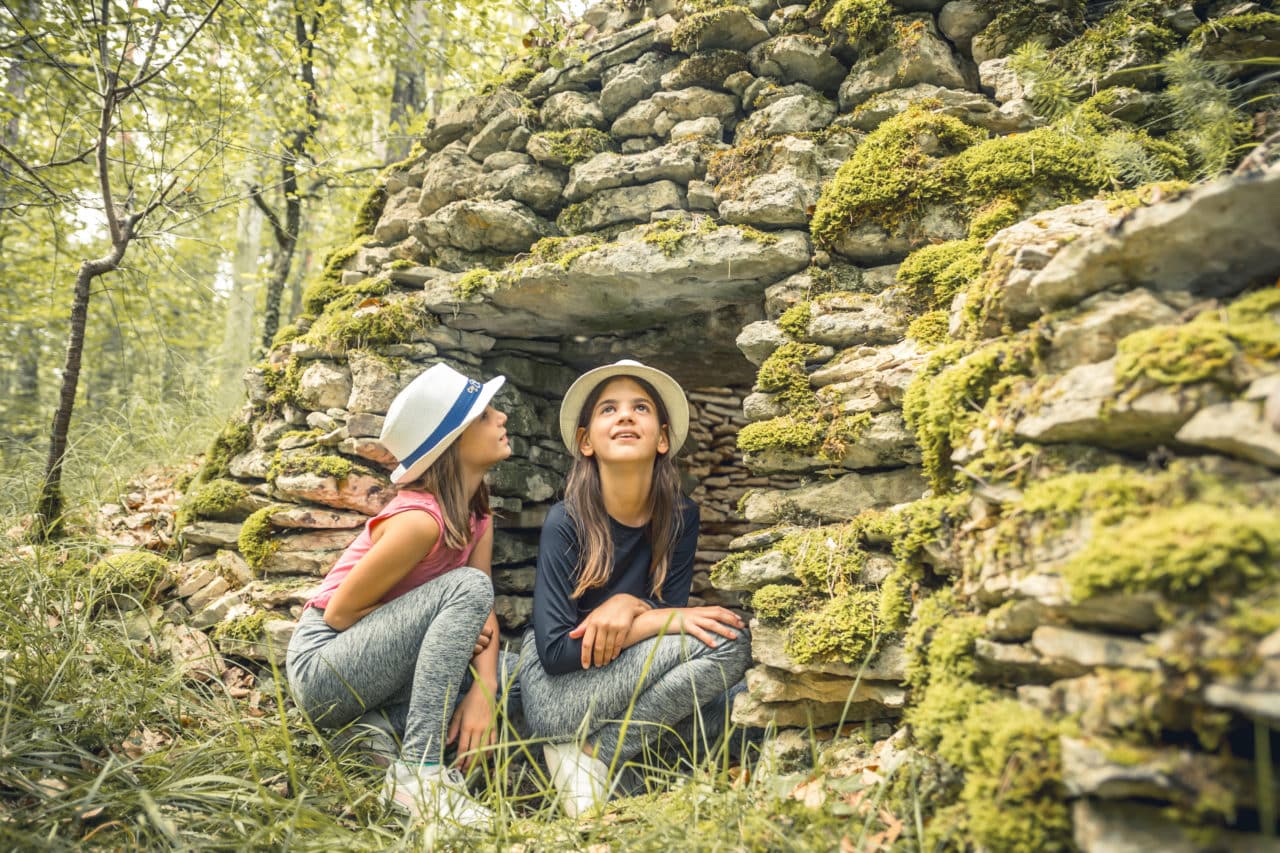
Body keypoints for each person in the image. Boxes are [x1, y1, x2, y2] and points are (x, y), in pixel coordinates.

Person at [518, 359, 753, 818]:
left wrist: (632, 606)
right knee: (731, 644)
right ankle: (595, 753)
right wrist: (649, 614)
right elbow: (555, 652)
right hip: (557, 695)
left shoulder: (680, 517)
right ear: (586, 442)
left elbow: (673, 620)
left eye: (640, 407)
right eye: (608, 409)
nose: (625, 416)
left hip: (629, 681)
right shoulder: (565, 521)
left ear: (662, 437)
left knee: (740, 693)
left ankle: (603, 756)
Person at [285, 362, 511, 829]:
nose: (503, 417)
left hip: (375, 669)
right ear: (455, 440)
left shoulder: (476, 517)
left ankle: (374, 747)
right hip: (325, 662)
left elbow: (483, 611)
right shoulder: (419, 521)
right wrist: (433, 629)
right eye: (487, 413)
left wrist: (485, 692)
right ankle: (422, 771)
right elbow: (342, 612)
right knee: (466, 586)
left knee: (507, 672)